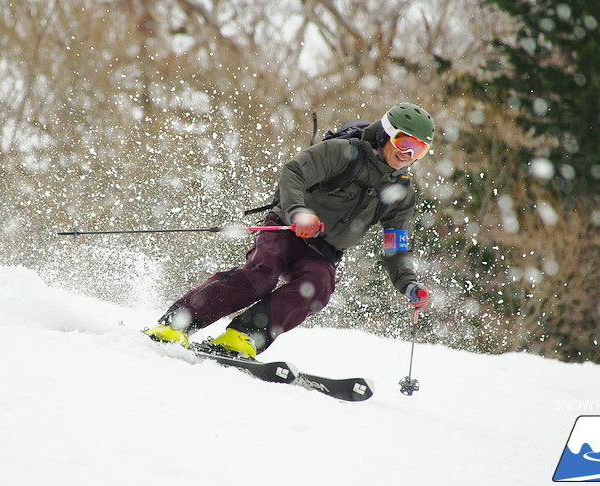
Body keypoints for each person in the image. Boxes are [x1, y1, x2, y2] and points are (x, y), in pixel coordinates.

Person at [144, 102, 433, 358]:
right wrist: (299, 212)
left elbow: (396, 244)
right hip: (285, 229)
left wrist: (408, 283)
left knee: (318, 288)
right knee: (261, 277)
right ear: (385, 134)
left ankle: (243, 336)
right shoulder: (343, 153)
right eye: (403, 141)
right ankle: (178, 322)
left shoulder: (401, 192)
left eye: (418, 149)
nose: (407, 153)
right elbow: (295, 171)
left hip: (323, 250)